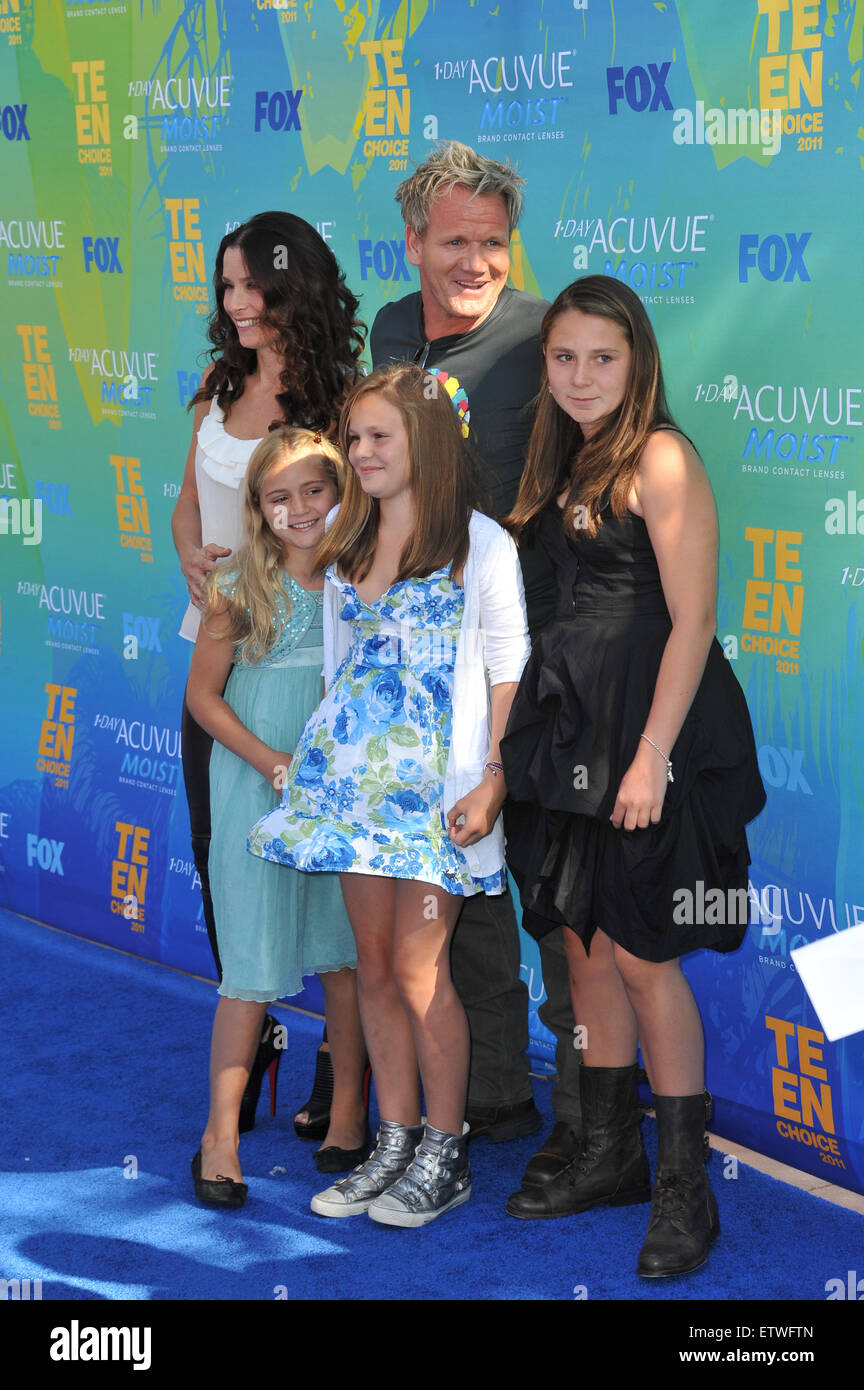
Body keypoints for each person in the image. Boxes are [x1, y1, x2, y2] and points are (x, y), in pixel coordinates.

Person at [500, 276, 766, 1277]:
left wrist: (652, 755)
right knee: (583, 946)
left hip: (648, 733)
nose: (579, 376)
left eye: (600, 358)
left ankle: (683, 1189)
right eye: (562, 357)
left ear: (638, 360)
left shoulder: (661, 455)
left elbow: (693, 618)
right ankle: (609, 1156)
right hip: (573, 733)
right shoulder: (564, 457)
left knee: (648, 953)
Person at [248, 363, 531, 1226]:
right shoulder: (341, 530)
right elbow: (326, 639)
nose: (360, 453)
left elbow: (510, 671)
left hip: (436, 801)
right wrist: (206, 565)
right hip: (349, 789)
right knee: (372, 967)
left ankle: (446, 1152)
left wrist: (494, 778)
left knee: (419, 973)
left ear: (430, 444)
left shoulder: (484, 545)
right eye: (355, 437)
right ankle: (395, 1138)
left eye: (379, 438)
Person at [371, 140, 581, 1167]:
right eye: (455, 240)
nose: (476, 260)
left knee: (560, 901)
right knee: (469, 883)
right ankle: (494, 1100)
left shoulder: (549, 337)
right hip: (430, 676)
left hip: (538, 663)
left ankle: (592, 1120)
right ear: (414, 242)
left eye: (493, 242)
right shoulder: (391, 328)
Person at [171, 210, 366, 1146]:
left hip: (313, 666)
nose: (239, 304)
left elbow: (354, 525)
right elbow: (185, 507)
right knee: (230, 874)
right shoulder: (218, 382)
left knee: (333, 900)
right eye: (227, 287)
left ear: (298, 289)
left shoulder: (335, 397)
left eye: (256, 286)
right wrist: (197, 568)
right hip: (222, 656)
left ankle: (341, 1083)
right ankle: (260, 1045)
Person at [187, 428, 367, 1205]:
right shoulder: (239, 591)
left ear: (342, 492)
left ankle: (350, 1112)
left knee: (345, 954)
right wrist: (271, 764)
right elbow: (203, 698)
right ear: (258, 509)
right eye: (278, 497)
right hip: (259, 788)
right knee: (250, 966)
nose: (299, 509)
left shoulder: (364, 581)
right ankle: (218, 1136)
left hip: (343, 791)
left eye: (314, 491)